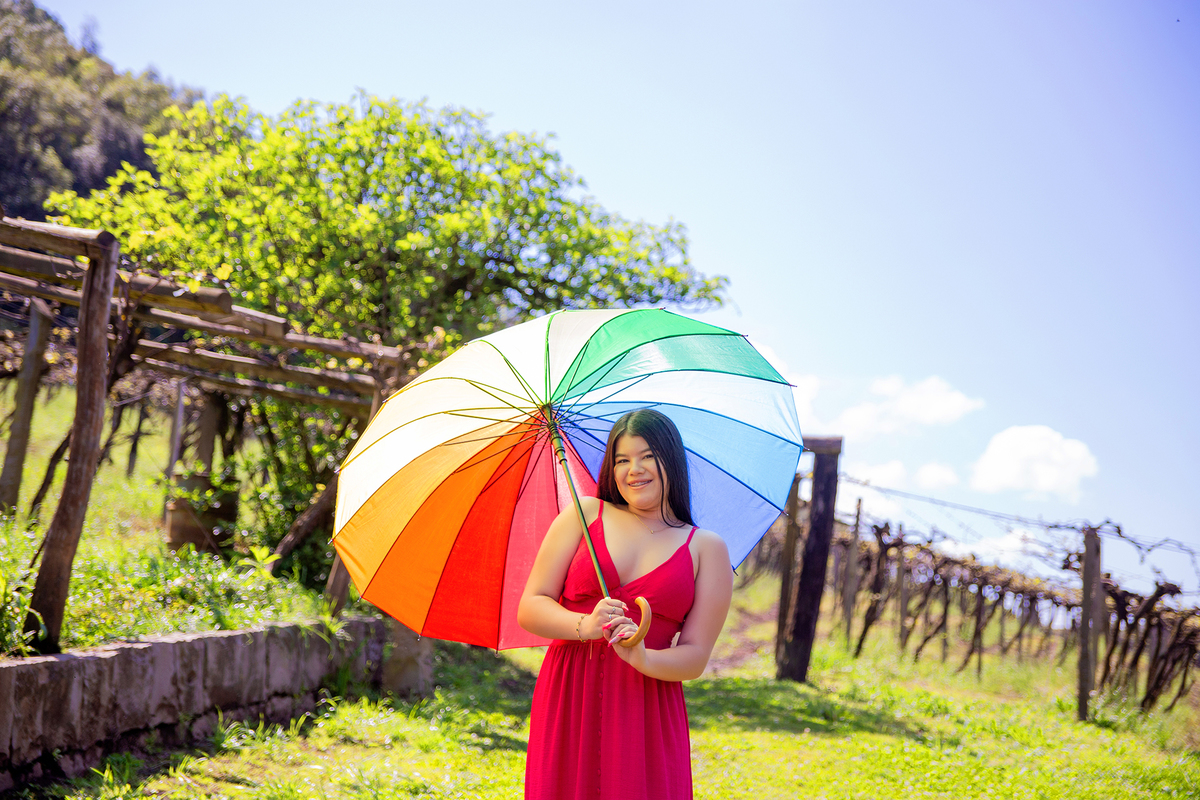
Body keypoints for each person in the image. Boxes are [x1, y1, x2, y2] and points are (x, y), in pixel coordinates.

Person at [517, 408, 734, 800]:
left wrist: (645, 660)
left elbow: (696, 656)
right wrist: (584, 625)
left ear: (671, 459)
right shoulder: (583, 515)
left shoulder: (706, 548)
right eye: (622, 460)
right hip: (569, 693)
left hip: (646, 701)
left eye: (647, 455)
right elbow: (531, 605)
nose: (635, 469)